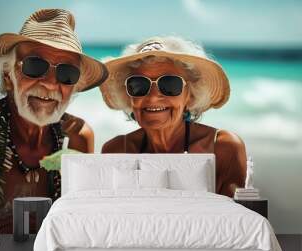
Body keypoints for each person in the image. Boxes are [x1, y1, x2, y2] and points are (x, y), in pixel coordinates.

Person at [0, 9, 108, 233]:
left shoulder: (77, 138)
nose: (51, 84)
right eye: (35, 66)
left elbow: (81, 229)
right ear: (7, 75)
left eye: (67, 74)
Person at [100, 36, 246, 197]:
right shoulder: (116, 151)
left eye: (169, 84)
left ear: (190, 95)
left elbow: (238, 218)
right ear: (128, 96)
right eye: (139, 85)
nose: (153, 97)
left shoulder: (222, 147)